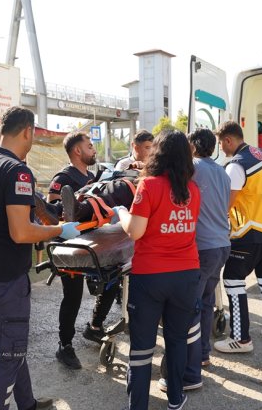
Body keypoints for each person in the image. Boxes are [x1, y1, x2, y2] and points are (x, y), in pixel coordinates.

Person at [0, 106, 80, 410]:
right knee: (7, 357)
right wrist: (59, 229)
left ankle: (26, 403)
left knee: (12, 344)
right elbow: (20, 232)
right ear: (28, 131)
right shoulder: (17, 170)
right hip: (5, 279)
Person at [115, 130, 201, 410]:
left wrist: (121, 213)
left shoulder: (149, 186)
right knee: (177, 341)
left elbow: (135, 232)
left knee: (142, 348)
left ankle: (137, 405)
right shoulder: (193, 190)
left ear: (158, 154)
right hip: (186, 276)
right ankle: (176, 399)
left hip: (150, 277)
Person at [156, 128, 231, 393]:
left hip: (203, 248)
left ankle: (190, 372)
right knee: (207, 302)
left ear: (193, 146)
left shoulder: (193, 168)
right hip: (222, 244)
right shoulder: (223, 171)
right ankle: (202, 354)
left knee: (188, 308)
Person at [212, 121, 262, 354]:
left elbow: (227, 204)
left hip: (251, 233)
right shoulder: (258, 154)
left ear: (228, 140)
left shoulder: (236, 166)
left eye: (221, 144)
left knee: (233, 280)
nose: (221, 149)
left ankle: (241, 338)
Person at [45, 132, 121, 370]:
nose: (93, 150)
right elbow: (51, 214)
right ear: (78, 151)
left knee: (112, 283)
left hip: (96, 243)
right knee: (73, 296)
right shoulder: (63, 177)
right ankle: (64, 345)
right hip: (73, 246)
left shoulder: (93, 177)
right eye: (90, 146)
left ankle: (94, 327)